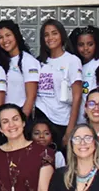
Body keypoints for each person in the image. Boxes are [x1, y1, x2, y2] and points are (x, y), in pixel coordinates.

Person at [34, 19, 83, 151]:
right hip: (42, 118)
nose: (50, 38)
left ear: (62, 35)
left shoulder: (72, 60)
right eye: (46, 35)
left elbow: (77, 96)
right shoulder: (39, 62)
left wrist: (70, 129)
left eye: (54, 33)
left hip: (62, 121)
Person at [0, 104, 54, 191]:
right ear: (0, 128)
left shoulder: (44, 153)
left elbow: (43, 189)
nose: (11, 124)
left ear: (23, 122)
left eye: (15, 119)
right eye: (5, 122)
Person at [47, 124, 99, 191]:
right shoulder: (59, 175)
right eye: (77, 139)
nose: (82, 143)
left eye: (88, 138)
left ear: (95, 143)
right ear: (71, 145)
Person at [0, 21, 39, 117]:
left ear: (16, 35)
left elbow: (31, 97)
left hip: (19, 114)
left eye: (8, 35)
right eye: (0, 37)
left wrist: (22, 121)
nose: (5, 40)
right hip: (2, 115)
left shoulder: (28, 61)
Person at [68, 25, 99, 125]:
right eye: (81, 45)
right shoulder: (74, 64)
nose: (85, 48)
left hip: (94, 120)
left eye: (90, 44)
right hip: (75, 120)